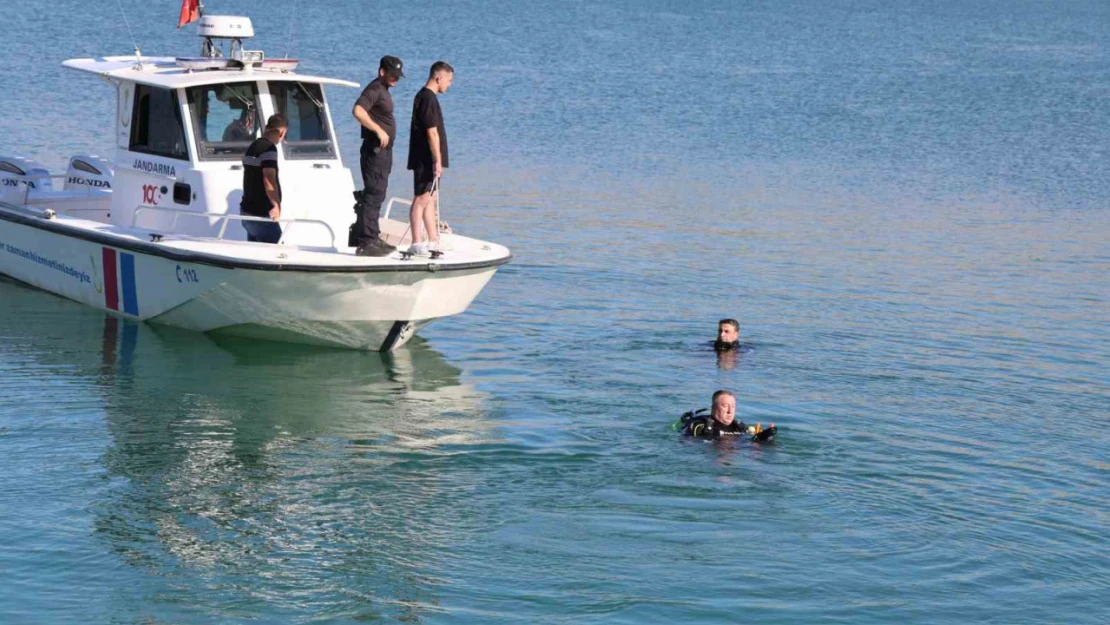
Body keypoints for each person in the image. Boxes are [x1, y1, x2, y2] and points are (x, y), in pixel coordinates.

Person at [351, 55, 405, 257]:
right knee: (374, 193)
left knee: (378, 193)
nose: (396, 78)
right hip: (374, 151)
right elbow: (357, 110)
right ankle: (366, 243)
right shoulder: (374, 89)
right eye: (392, 74)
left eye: (398, 75)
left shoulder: (383, 90)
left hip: (382, 153)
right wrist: (378, 130)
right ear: (382, 72)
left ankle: (372, 236)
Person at [404, 61, 454, 255]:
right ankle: (416, 242)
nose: (449, 85)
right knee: (421, 198)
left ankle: (433, 240)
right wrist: (437, 160)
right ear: (438, 77)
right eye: (448, 80)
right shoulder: (427, 98)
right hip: (426, 158)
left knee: (431, 198)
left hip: (427, 158)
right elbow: (432, 132)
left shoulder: (425, 97)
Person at [239, 114, 288, 244]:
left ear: (266, 128)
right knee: (278, 252)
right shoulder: (269, 149)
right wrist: (276, 205)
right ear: (282, 133)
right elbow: (269, 179)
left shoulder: (252, 146)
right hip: (260, 215)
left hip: (246, 213)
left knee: (255, 254)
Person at [678, 390, 776, 441]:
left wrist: (764, 438)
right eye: (725, 406)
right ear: (713, 408)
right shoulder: (699, 426)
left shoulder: (739, 427)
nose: (730, 411)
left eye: (733, 406)